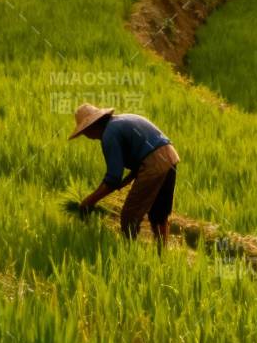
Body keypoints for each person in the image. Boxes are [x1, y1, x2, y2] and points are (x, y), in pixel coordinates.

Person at [69, 104, 179, 247]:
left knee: (129, 215)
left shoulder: (109, 134)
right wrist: (125, 182)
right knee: (159, 213)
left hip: (154, 164)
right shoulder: (122, 121)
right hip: (170, 156)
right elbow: (143, 154)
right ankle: (162, 254)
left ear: (92, 127)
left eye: (84, 132)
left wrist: (89, 201)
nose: (85, 135)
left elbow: (113, 178)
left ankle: (128, 251)